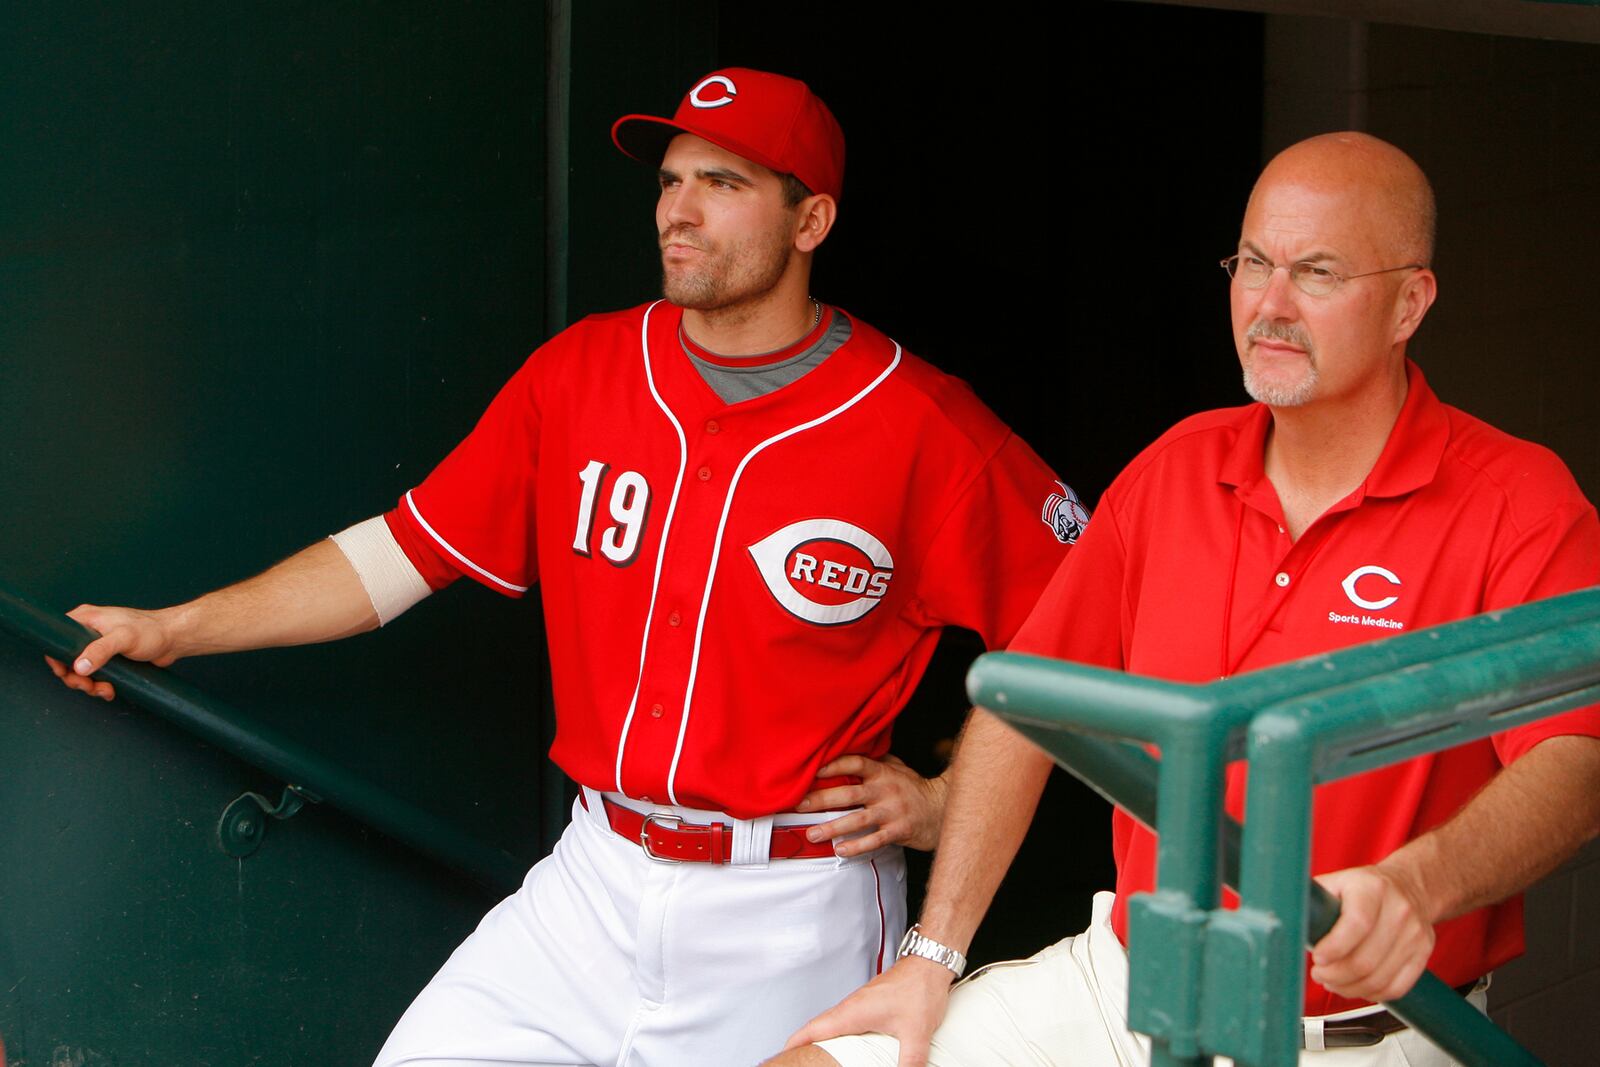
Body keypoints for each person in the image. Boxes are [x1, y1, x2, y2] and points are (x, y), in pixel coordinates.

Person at [45, 68, 1081, 1066]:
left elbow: (1072, 636)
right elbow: (404, 552)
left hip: (791, 902)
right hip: (596, 877)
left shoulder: (922, 425)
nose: (679, 209)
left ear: (810, 223)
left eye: (724, 183)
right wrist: (176, 627)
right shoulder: (581, 371)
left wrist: (950, 798)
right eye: (672, 179)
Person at [774, 132, 1600, 1067]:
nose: (1270, 306)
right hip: (1124, 986)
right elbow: (1028, 700)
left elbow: (1574, 759)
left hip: (1361, 1033)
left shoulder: (1518, 499)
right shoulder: (1179, 465)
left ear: (1411, 301)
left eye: (1318, 272)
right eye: (1253, 264)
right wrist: (932, 955)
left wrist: (1417, 885)